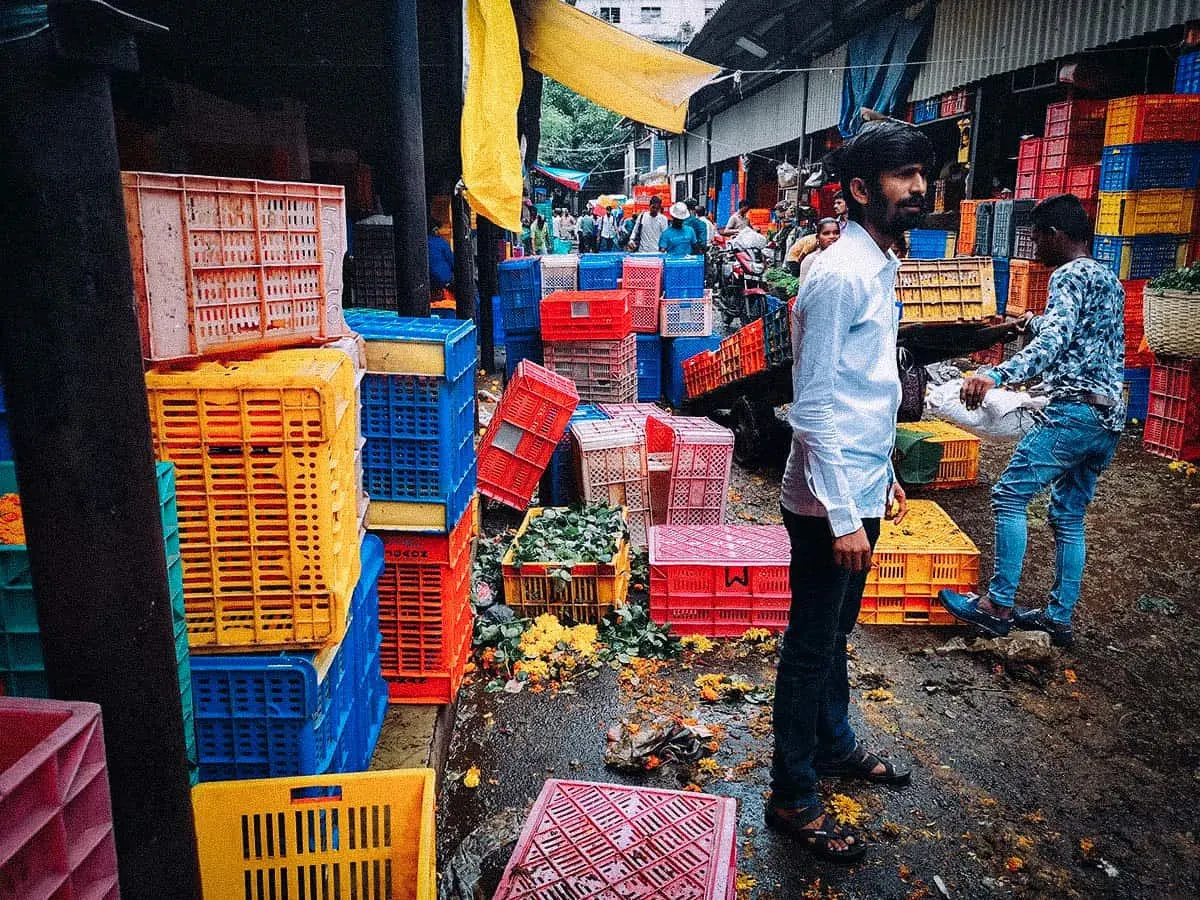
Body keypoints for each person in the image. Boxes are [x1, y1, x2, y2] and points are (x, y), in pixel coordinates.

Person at [770, 119, 931, 863]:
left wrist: (885, 475)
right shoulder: (837, 275)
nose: (919, 188)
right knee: (809, 647)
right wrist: (841, 516)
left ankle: (832, 746)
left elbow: (865, 393)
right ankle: (792, 795)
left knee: (834, 637)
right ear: (862, 189)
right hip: (824, 505)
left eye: (921, 174)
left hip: (861, 485)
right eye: (903, 176)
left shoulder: (879, 267)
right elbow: (815, 406)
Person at [939, 194, 1125, 649]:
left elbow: (1058, 343)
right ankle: (1058, 617)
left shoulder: (1067, 275)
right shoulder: (1107, 279)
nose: (1034, 249)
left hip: (1073, 413)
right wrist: (1033, 322)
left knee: (1008, 495)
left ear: (1055, 235)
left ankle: (997, 605)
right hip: (1108, 417)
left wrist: (995, 373)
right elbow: (1079, 336)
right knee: (1067, 514)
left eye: (1037, 238)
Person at [797, 217, 840, 285]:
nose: (832, 236)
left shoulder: (844, 257)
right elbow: (804, 290)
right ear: (818, 237)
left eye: (836, 233)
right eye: (826, 233)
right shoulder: (810, 260)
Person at [427, 218, 455, 304]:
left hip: (428, 283)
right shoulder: (441, 242)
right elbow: (452, 262)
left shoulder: (420, 243)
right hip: (444, 282)